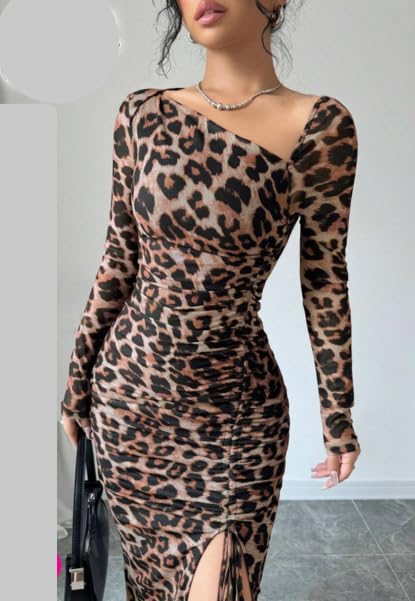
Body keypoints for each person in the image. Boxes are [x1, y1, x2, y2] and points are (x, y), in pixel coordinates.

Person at [60, 1, 361, 599]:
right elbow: (119, 257)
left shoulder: (321, 125)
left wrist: (339, 417)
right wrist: (78, 379)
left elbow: (325, 280)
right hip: (131, 404)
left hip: (235, 415)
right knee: (149, 587)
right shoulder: (140, 114)